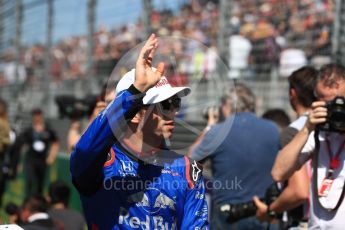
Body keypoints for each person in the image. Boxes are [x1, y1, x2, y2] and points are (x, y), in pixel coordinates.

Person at [70, 34, 209, 229]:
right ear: (134, 114)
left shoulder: (186, 169)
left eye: (175, 103)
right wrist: (136, 92)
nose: (173, 112)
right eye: (164, 105)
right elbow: (84, 151)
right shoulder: (102, 162)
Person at [189, 83, 280, 229]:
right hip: (265, 211)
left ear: (226, 105)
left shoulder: (218, 132)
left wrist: (209, 127)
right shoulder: (273, 128)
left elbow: (190, 160)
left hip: (230, 215)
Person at [272, 63, 345, 229]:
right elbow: (278, 173)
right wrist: (306, 129)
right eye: (330, 104)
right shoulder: (317, 132)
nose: (337, 111)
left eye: (341, 103)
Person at [254, 66, 318, 229]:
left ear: (293, 94)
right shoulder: (331, 127)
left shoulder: (295, 131)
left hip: (305, 222)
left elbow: (299, 191)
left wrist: (270, 210)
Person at [15, 108, 59, 198]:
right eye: (35, 115)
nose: (37, 118)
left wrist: (51, 156)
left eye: (39, 115)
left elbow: (55, 142)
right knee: (30, 181)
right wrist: (19, 163)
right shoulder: (29, 131)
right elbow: (23, 146)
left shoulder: (48, 130)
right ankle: (27, 202)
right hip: (31, 160)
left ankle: (38, 204)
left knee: (40, 183)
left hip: (42, 160)